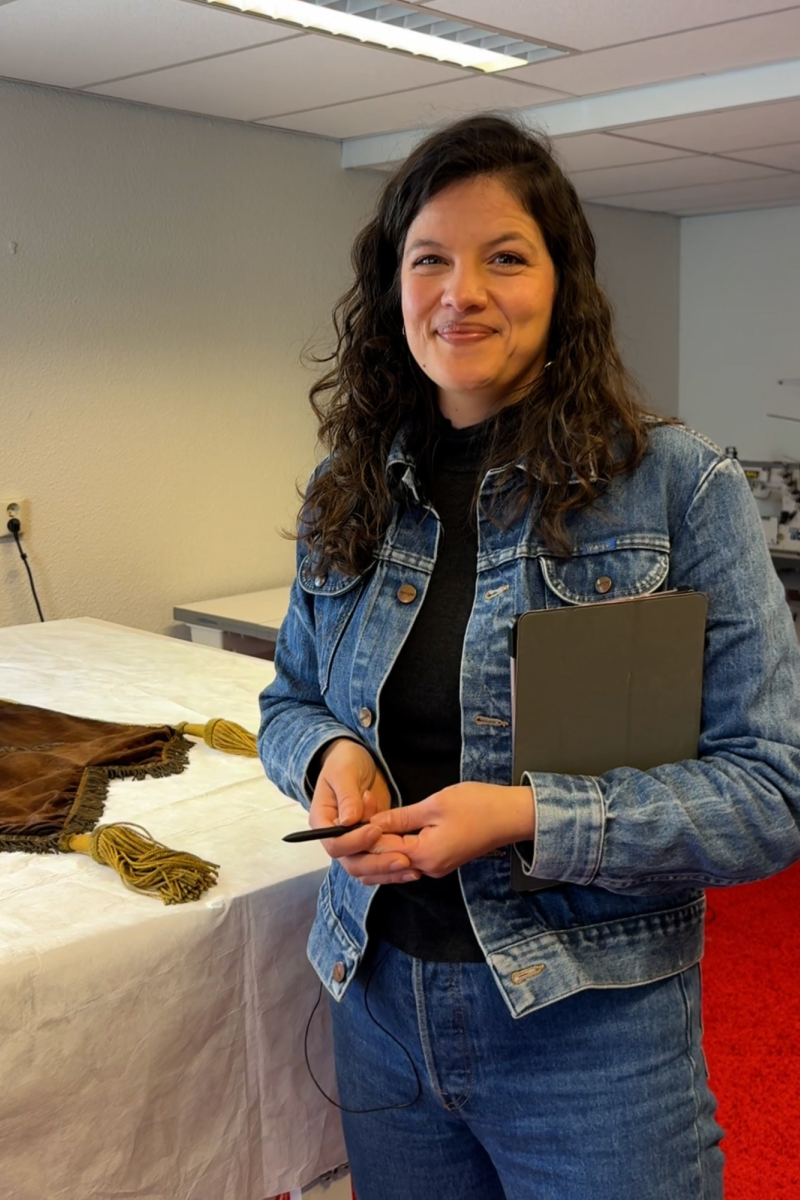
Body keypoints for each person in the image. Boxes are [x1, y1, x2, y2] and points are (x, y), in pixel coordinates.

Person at [257, 114, 800, 1200]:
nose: (460, 292)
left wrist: (523, 817)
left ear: (562, 284)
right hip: (377, 1003)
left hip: (591, 1029)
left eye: (503, 256)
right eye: (429, 260)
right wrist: (325, 756)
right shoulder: (346, 489)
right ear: (391, 287)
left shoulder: (676, 486)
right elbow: (287, 700)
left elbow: (767, 793)